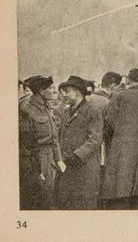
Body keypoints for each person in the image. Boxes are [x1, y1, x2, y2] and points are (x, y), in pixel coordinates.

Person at [102, 67, 138, 209]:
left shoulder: (118, 96)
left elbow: (110, 120)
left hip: (121, 145)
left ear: (128, 80)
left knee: (120, 187)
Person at [55, 76, 103, 210]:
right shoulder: (65, 111)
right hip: (68, 168)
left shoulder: (92, 111)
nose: (63, 94)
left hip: (85, 169)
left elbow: (95, 139)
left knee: (84, 205)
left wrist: (77, 156)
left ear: (77, 92)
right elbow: (61, 137)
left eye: (66, 91)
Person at [19, 76, 61, 209]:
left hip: (50, 160)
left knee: (49, 197)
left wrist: (58, 159)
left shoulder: (46, 106)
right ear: (42, 91)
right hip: (37, 161)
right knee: (39, 199)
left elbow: (54, 138)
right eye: (51, 88)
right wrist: (36, 171)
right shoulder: (27, 109)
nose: (54, 91)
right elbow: (26, 145)